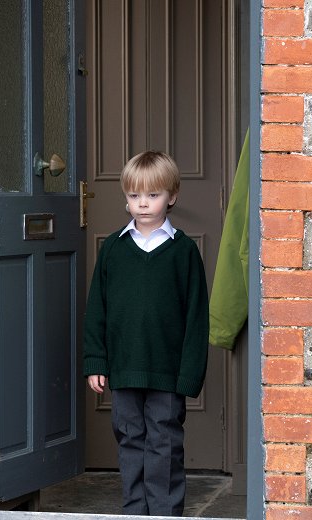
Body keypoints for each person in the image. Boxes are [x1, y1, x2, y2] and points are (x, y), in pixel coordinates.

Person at [83, 150, 209, 516]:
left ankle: (165, 512)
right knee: (130, 440)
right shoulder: (113, 250)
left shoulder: (183, 252)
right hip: (124, 369)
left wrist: (189, 374)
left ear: (172, 196)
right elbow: (97, 309)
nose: (143, 203)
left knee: (164, 443)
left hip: (167, 372)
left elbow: (196, 317)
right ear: (125, 198)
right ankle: (135, 511)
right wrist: (96, 361)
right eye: (135, 195)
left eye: (152, 195)